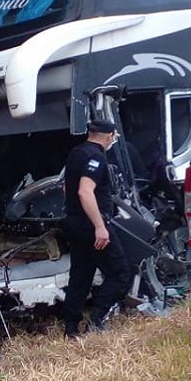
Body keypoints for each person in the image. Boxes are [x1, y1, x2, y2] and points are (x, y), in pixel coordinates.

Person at [61, 119, 131, 337]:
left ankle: (71, 328)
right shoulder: (97, 158)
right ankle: (97, 319)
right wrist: (100, 226)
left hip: (74, 222)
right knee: (119, 273)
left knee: (81, 275)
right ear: (109, 136)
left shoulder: (76, 152)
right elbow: (85, 191)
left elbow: (66, 187)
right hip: (92, 225)